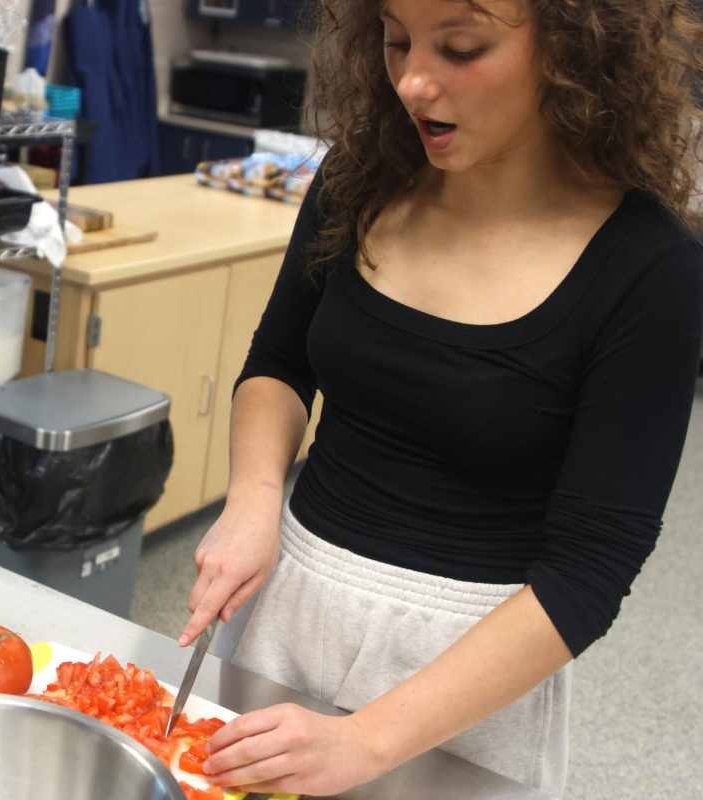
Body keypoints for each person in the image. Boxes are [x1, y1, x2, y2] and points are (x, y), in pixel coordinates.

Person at [177, 0, 703, 796]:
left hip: (462, 675)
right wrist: (254, 501)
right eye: (395, 41)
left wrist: (368, 740)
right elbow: (278, 362)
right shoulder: (358, 181)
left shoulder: (649, 269)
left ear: (573, 51)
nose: (413, 82)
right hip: (290, 608)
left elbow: (588, 572)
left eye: (460, 49)